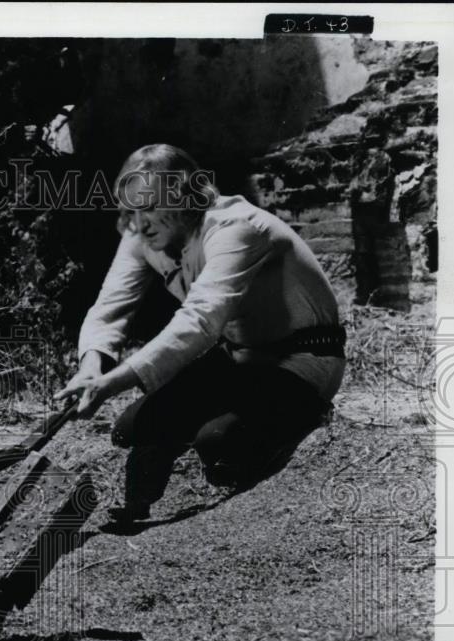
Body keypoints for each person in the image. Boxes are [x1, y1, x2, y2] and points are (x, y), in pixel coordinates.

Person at [55, 144, 346, 524]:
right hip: (238, 359)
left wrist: (112, 384)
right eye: (131, 209)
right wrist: (92, 369)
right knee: (131, 430)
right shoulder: (144, 232)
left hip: (302, 359)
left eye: (150, 206)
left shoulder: (235, 228)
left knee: (220, 446)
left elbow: (200, 321)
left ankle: (308, 418)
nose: (139, 223)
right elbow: (110, 308)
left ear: (185, 196)